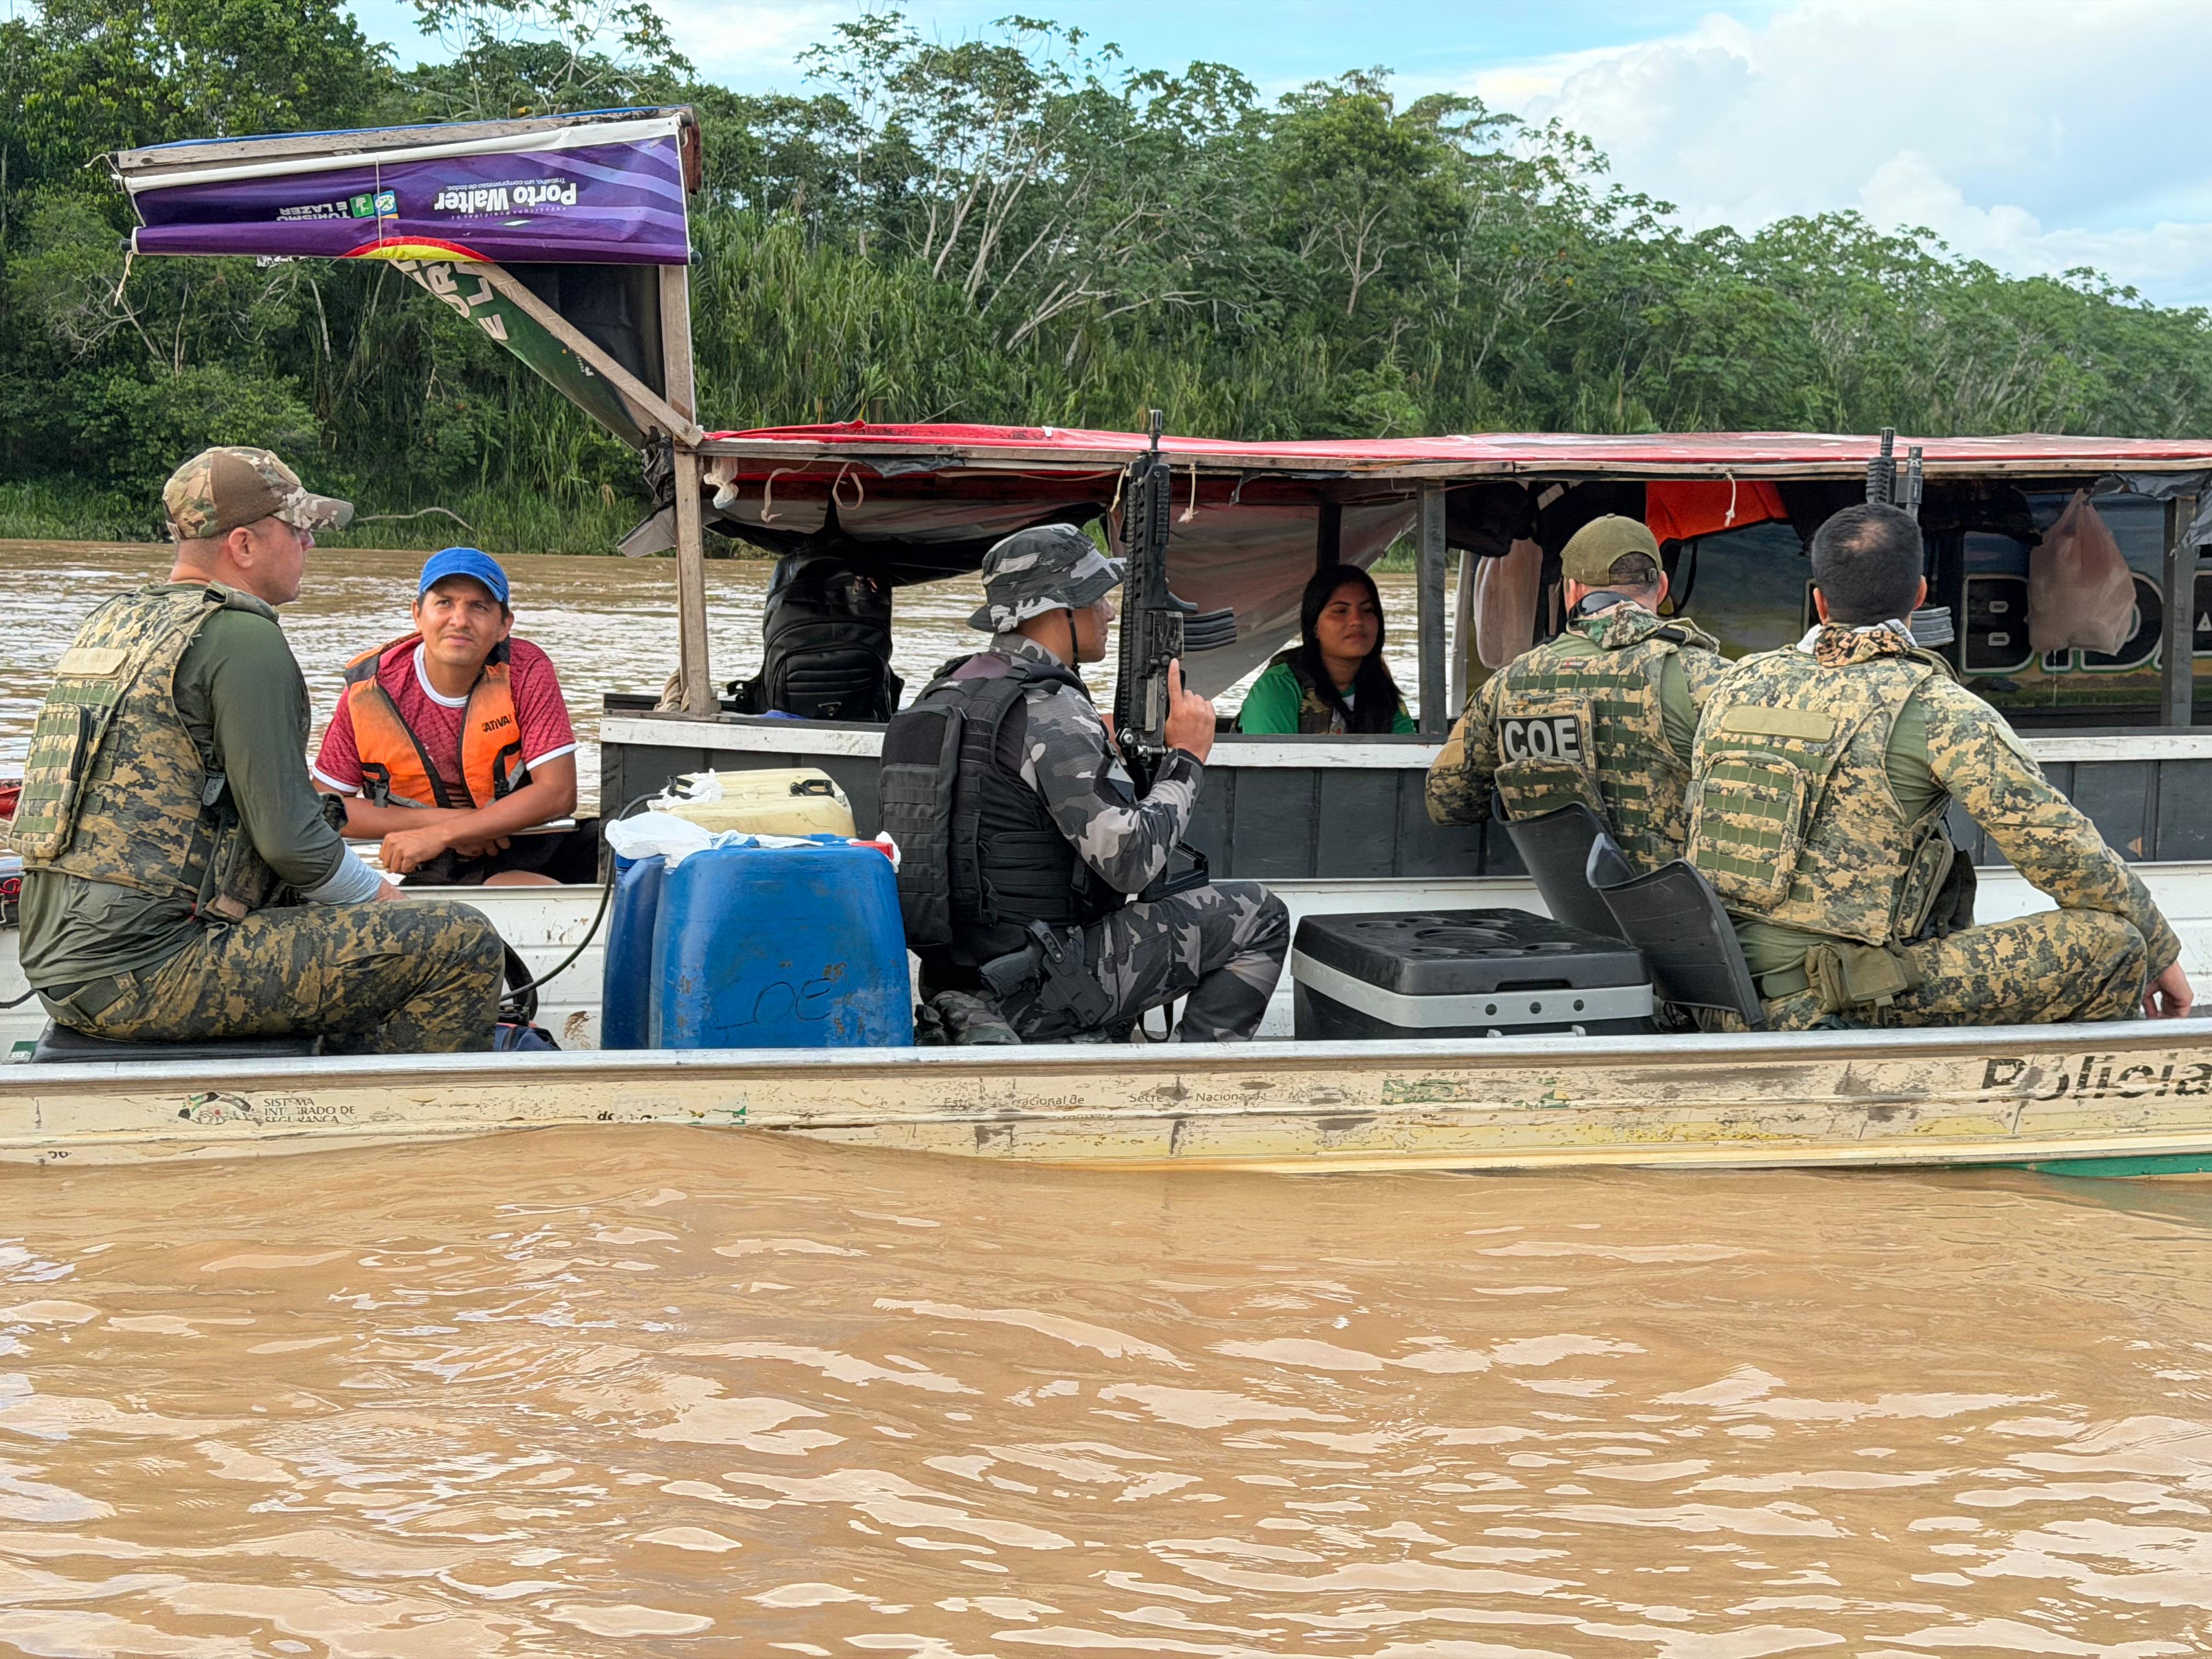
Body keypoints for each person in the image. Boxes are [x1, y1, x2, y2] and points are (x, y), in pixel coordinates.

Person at [12, 447, 503, 1052]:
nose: (310, 546)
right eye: (297, 530)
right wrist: (388, 902)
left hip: (59, 962)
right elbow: (292, 843)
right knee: (460, 941)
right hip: (144, 970)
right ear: (242, 545)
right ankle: (406, 1126)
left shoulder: (116, 622)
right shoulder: (242, 638)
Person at [1687, 501, 2193, 1031]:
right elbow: (2065, 855)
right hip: (1830, 1000)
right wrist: (2159, 951)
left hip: (1723, 993)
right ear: (1922, 594)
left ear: (1819, 602)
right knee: (2115, 945)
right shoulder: (1938, 709)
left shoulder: (1736, 684)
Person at [883, 523, 1289, 1042]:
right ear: (1061, 609)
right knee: (1259, 915)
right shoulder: (1049, 709)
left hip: (957, 979)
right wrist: (1187, 757)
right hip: (1041, 985)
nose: (1110, 612)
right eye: (1098, 597)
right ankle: (1193, 1087)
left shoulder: (942, 696)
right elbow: (1130, 862)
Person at [1426, 514, 1732, 872]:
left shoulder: (1509, 682)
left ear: (1572, 590)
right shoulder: (1712, 677)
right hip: (1685, 912)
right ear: (1662, 586)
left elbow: (1448, 802)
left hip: (1568, 906)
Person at [312, 548, 597, 885]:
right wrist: (446, 830)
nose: (459, 620)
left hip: (534, 842)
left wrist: (449, 830)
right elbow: (325, 808)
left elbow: (559, 792)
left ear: (504, 625)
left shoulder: (526, 669)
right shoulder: (370, 688)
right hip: (438, 864)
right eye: (444, 602)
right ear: (418, 614)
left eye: (478, 607)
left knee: (619, 841)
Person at [1237, 564, 1415, 733]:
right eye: (1340, 611)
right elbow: (1270, 762)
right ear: (1315, 626)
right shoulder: (1280, 687)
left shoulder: (1382, 693)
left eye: (1368, 610)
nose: (1357, 621)